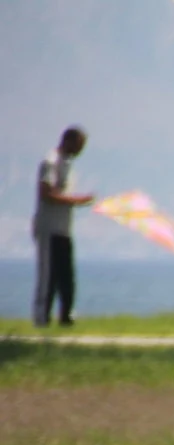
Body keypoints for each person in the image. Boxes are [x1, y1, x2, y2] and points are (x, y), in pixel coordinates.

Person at [32, 126, 91, 328]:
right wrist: (76, 201)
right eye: (79, 145)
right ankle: (42, 317)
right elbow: (46, 194)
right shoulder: (50, 162)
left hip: (64, 228)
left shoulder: (68, 165)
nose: (80, 150)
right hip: (49, 228)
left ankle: (66, 315)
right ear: (68, 141)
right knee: (48, 275)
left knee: (66, 274)